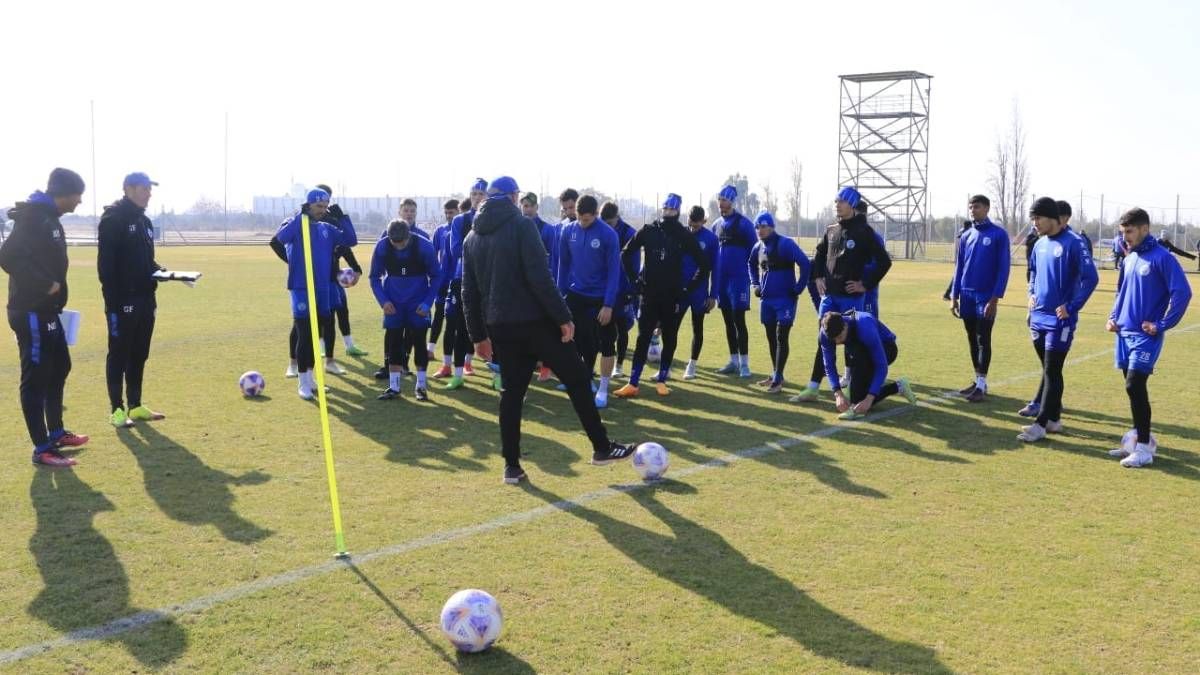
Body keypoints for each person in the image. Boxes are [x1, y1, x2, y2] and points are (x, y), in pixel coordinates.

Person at [460, 176, 634, 485]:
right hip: (535, 322)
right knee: (579, 379)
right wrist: (563, 317)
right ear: (514, 197)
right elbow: (540, 278)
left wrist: (478, 336)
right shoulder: (522, 226)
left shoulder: (472, 237)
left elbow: (468, 292)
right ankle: (602, 447)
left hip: (499, 326)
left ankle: (511, 467)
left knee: (511, 394)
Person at [1, 168, 90, 466]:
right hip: (30, 310)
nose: (79, 202)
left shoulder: (49, 218)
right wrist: (44, 283)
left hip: (48, 311)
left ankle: (56, 432)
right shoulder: (34, 217)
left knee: (60, 366)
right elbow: (8, 255)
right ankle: (42, 448)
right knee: (35, 379)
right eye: (78, 196)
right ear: (64, 193)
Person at [1106, 208, 1191, 467]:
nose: (1126, 237)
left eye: (1129, 231)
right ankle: (1137, 439)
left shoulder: (1163, 258)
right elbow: (1121, 291)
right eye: (1123, 232)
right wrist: (1113, 316)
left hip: (1145, 335)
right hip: (1124, 333)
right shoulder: (1129, 258)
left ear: (1144, 229)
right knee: (1131, 390)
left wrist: (1162, 324)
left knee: (1135, 385)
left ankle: (1143, 449)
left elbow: (1183, 293)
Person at [793, 186, 892, 403]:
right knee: (825, 338)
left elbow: (884, 262)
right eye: (836, 201)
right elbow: (819, 254)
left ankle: (851, 387)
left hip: (851, 298)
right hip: (829, 297)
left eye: (841, 201)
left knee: (852, 344)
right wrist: (818, 276)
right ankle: (813, 386)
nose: (836, 204)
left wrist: (865, 284)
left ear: (852, 204)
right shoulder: (831, 230)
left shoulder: (864, 232)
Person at [1017, 197, 1098, 442]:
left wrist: (1072, 307)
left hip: (1059, 321)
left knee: (1052, 369)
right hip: (1038, 317)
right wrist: (1031, 295)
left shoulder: (1074, 243)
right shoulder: (1039, 244)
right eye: (1032, 219)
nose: (1035, 223)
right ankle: (1053, 420)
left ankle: (1040, 424)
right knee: (1050, 369)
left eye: (1038, 218)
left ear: (1052, 217)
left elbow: (1091, 278)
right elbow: (1032, 273)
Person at [613, 193, 709, 400]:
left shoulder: (683, 235)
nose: (668, 212)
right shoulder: (649, 230)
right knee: (643, 338)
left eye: (672, 210)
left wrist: (687, 289)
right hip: (649, 295)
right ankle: (633, 382)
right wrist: (634, 281)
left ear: (678, 211)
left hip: (673, 297)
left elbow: (704, 264)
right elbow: (625, 253)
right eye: (665, 209)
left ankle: (662, 380)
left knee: (669, 337)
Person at [271, 188, 357, 400]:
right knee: (304, 334)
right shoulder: (296, 224)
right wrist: (302, 217)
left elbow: (351, 240)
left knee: (317, 332)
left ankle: (311, 379)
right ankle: (303, 382)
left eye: (325, 207)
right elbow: (280, 238)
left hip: (323, 288)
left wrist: (342, 217)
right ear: (308, 205)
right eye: (318, 206)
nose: (322, 210)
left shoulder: (326, 228)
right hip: (301, 288)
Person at [98, 172, 169, 428]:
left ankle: (136, 405)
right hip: (121, 302)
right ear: (128, 189)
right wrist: (115, 304)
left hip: (146, 298)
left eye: (150, 189)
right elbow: (106, 268)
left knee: (139, 353)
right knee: (119, 353)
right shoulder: (112, 219)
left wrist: (164, 272)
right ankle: (117, 410)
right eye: (144, 189)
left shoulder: (145, 222)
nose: (149, 193)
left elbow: (146, 261)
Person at [370, 219, 443, 401]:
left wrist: (427, 303)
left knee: (419, 343)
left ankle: (421, 386)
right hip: (393, 303)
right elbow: (374, 277)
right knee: (394, 342)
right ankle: (394, 387)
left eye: (402, 242)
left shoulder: (424, 246)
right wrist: (383, 301)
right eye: (395, 243)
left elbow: (436, 276)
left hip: (417, 303)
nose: (399, 246)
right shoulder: (382, 247)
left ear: (408, 235)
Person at [557, 194, 621, 396]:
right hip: (576, 293)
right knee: (578, 338)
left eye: (587, 219)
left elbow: (614, 272)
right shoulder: (568, 231)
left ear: (595, 215)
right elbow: (563, 265)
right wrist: (560, 295)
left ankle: (601, 388)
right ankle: (583, 378)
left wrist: (609, 304)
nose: (583, 223)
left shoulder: (608, 235)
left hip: (601, 297)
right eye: (580, 218)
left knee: (604, 342)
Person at [950, 195, 1010, 403]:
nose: (972, 210)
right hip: (966, 295)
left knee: (983, 338)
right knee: (971, 338)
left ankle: (982, 384)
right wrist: (954, 295)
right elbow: (959, 267)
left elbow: (1003, 269)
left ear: (986, 208)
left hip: (985, 296)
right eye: (970, 207)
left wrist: (995, 299)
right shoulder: (966, 235)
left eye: (976, 207)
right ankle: (978, 381)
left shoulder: (999, 235)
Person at [749, 211, 811, 394]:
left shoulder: (786, 244)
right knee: (770, 336)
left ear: (771, 227)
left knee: (781, 336)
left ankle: (777, 379)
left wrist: (799, 287)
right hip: (766, 300)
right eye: (757, 227)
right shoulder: (757, 247)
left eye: (763, 226)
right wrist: (755, 284)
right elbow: (750, 265)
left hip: (785, 300)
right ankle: (777, 373)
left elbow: (805, 264)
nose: (760, 230)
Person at [819, 310, 916, 420]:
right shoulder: (825, 334)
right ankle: (898, 386)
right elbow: (829, 365)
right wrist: (837, 393)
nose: (837, 342)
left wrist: (869, 398)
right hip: (860, 351)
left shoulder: (865, 327)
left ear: (845, 326)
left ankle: (897, 387)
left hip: (887, 349)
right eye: (833, 339)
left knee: (859, 398)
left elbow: (881, 366)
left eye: (840, 337)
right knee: (858, 393)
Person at [712, 184, 757, 377]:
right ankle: (733, 361)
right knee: (728, 321)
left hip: (739, 280)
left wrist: (752, 277)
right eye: (720, 200)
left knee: (739, 321)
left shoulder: (744, 224)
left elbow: (755, 252)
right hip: (721, 280)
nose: (722, 203)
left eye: (725, 200)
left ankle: (745, 363)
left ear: (732, 202)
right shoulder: (716, 225)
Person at [601, 201, 640, 379]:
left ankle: (619, 364)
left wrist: (632, 289)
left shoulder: (629, 233)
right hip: (603, 288)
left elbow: (634, 265)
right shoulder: (599, 230)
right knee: (604, 329)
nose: (606, 227)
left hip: (623, 288)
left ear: (617, 217)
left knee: (622, 328)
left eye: (609, 223)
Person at [680, 205, 719, 379]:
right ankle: (665, 364)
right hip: (679, 290)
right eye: (691, 223)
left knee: (698, 327)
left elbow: (716, 268)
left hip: (699, 292)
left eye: (697, 224)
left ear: (703, 221)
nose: (693, 227)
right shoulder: (680, 234)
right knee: (671, 327)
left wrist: (713, 295)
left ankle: (692, 364)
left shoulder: (711, 239)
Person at [426, 199, 460, 378]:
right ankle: (430, 349)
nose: (449, 216)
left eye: (452, 212)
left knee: (456, 321)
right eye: (446, 213)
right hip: (442, 280)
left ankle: (463, 358)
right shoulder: (440, 230)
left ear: (458, 212)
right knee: (438, 314)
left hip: (458, 280)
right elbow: (432, 253)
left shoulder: (461, 228)